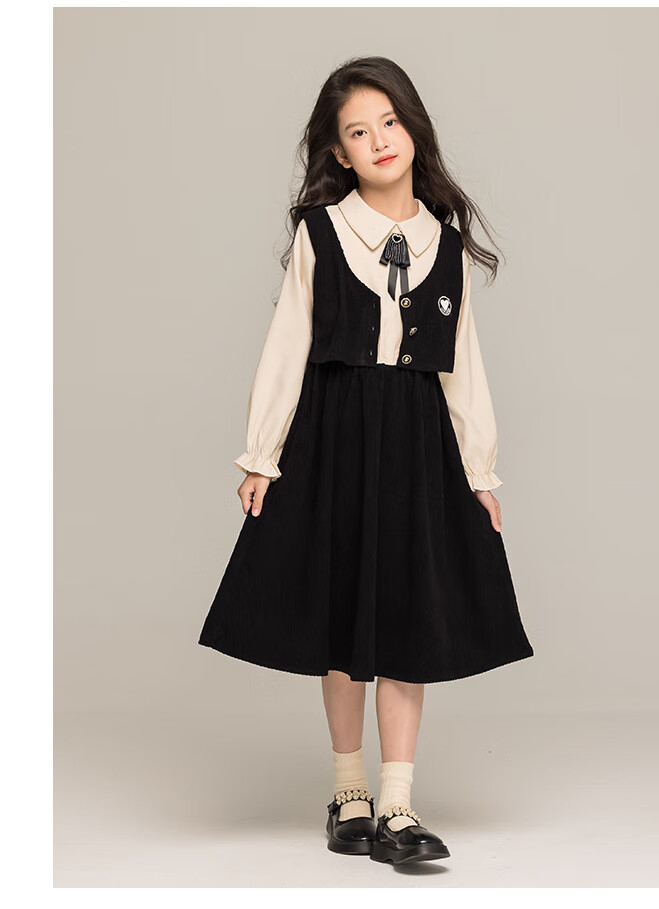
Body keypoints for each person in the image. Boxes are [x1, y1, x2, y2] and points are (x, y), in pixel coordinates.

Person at [198, 55, 534, 865]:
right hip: (332, 436)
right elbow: (287, 342)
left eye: (390, 122)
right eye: (358, 132)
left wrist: (480, 473)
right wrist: (261, 454)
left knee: (408, 613)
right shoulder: (320, 233)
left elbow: (462, 366)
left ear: (414, 128)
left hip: (417, 444)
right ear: (339, 153)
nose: (380, 140)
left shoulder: (445, 247)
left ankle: (398, 805)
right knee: (343, 609)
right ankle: (349, 791)